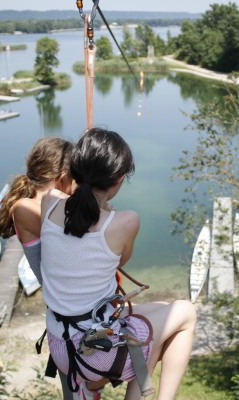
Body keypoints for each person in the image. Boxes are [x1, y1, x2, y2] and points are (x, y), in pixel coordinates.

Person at [40, 128, 197, 400]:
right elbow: (119, 261)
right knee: (185, 312)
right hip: (93, 351)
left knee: (162, 313)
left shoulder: (49, 203)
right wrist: (106, 210)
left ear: (75, 169)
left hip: (61, 347)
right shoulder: (126, 221)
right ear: (119, 180)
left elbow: (76, 210)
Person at [0, 137, 74, 283]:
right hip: (66, 300)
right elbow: (75, 242)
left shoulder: (56, 204)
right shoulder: (26, 208)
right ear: (62, 179)